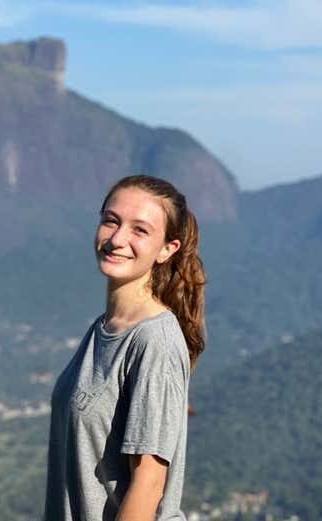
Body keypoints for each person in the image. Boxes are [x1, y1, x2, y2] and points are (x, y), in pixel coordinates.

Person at [43, 174, 207, 521]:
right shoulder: (102, 329)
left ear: (167, 249)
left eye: (139, 230)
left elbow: (148, 484)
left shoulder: (154, 341)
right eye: (111, 221)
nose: (117, 239)